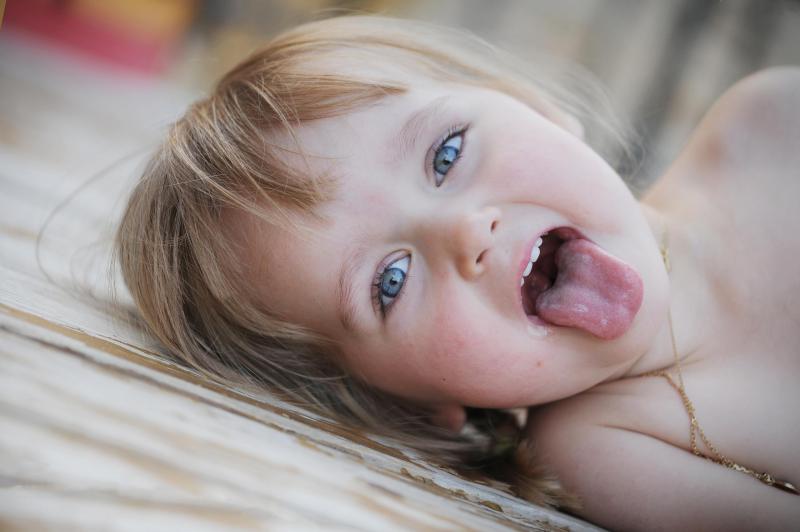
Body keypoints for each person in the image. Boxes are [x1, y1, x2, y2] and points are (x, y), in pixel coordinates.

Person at [114, 15, 800, 529]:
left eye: (446, 154)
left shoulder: (769, 126)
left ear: (532, 105)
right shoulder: (605, 452)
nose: (463, 232)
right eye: (389, 283)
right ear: (411, 403)